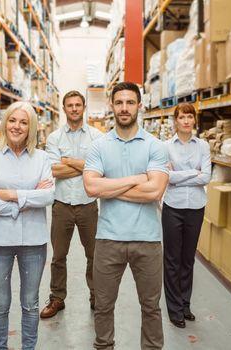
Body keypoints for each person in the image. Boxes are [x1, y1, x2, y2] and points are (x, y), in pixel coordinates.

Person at [83, 82, 169, 350]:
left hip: (148, 239)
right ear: (112, 106)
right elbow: (91, 188)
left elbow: (155, 190)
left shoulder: (155, 146)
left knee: (151, 307)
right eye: (119, 102)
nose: (124, 108)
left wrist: (109, 186)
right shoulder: (99, 146)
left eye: (129, 102)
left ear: (139, 106)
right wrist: (134, 180)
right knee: (104, 306)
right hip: (108, 239)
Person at [0, 101, 55, 350]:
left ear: (31, 127)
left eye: (24, 122)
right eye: (13, 120)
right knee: (0, 303)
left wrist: (11, 195)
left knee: (31, 303)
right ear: (5, 123)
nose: (17, 126)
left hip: (34, 241)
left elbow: (48, 197)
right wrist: (28, 197)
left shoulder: (42, 158)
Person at [40, 91, 102, 318]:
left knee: (94, 255)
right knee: (58, 256)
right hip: (62, 205)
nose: (74, 108)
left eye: (78, 105)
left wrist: (68, 161)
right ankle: (57, 298)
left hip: (88, 204)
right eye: (70, 105)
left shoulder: (96, 136)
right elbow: (53, 170)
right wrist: (84, 166)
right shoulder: (55, 137)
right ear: (64, 108)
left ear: (83, 107)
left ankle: (97, 295)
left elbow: (99, 168)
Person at [162, 103, 211, 328]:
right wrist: (194, 172)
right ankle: (174, 309)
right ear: (176, 120)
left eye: (190, 117)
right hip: (173, 207)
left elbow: (206, 177)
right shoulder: (165, 147)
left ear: (194, 120)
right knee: (172, 259)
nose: (186, 121)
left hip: (196, 208)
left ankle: (185, 304)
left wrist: (178, 174)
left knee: (187, 259)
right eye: (182, 117)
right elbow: (166, 177)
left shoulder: (203, 146)